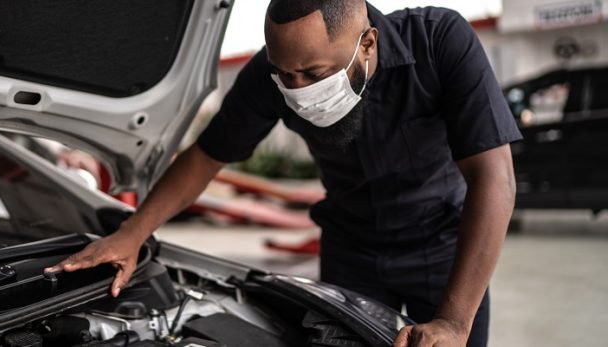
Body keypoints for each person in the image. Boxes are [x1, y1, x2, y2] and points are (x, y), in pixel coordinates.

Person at [45, 1, 522, 346]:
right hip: (350, 252)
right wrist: (132, 234)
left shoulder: (440, 42)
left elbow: (493, 176)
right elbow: (206, 157)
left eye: (313, 74)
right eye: (285, 76)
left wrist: (455, 322)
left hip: (442, 250)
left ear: (367, 45)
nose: (296, 90)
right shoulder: (271, 73)